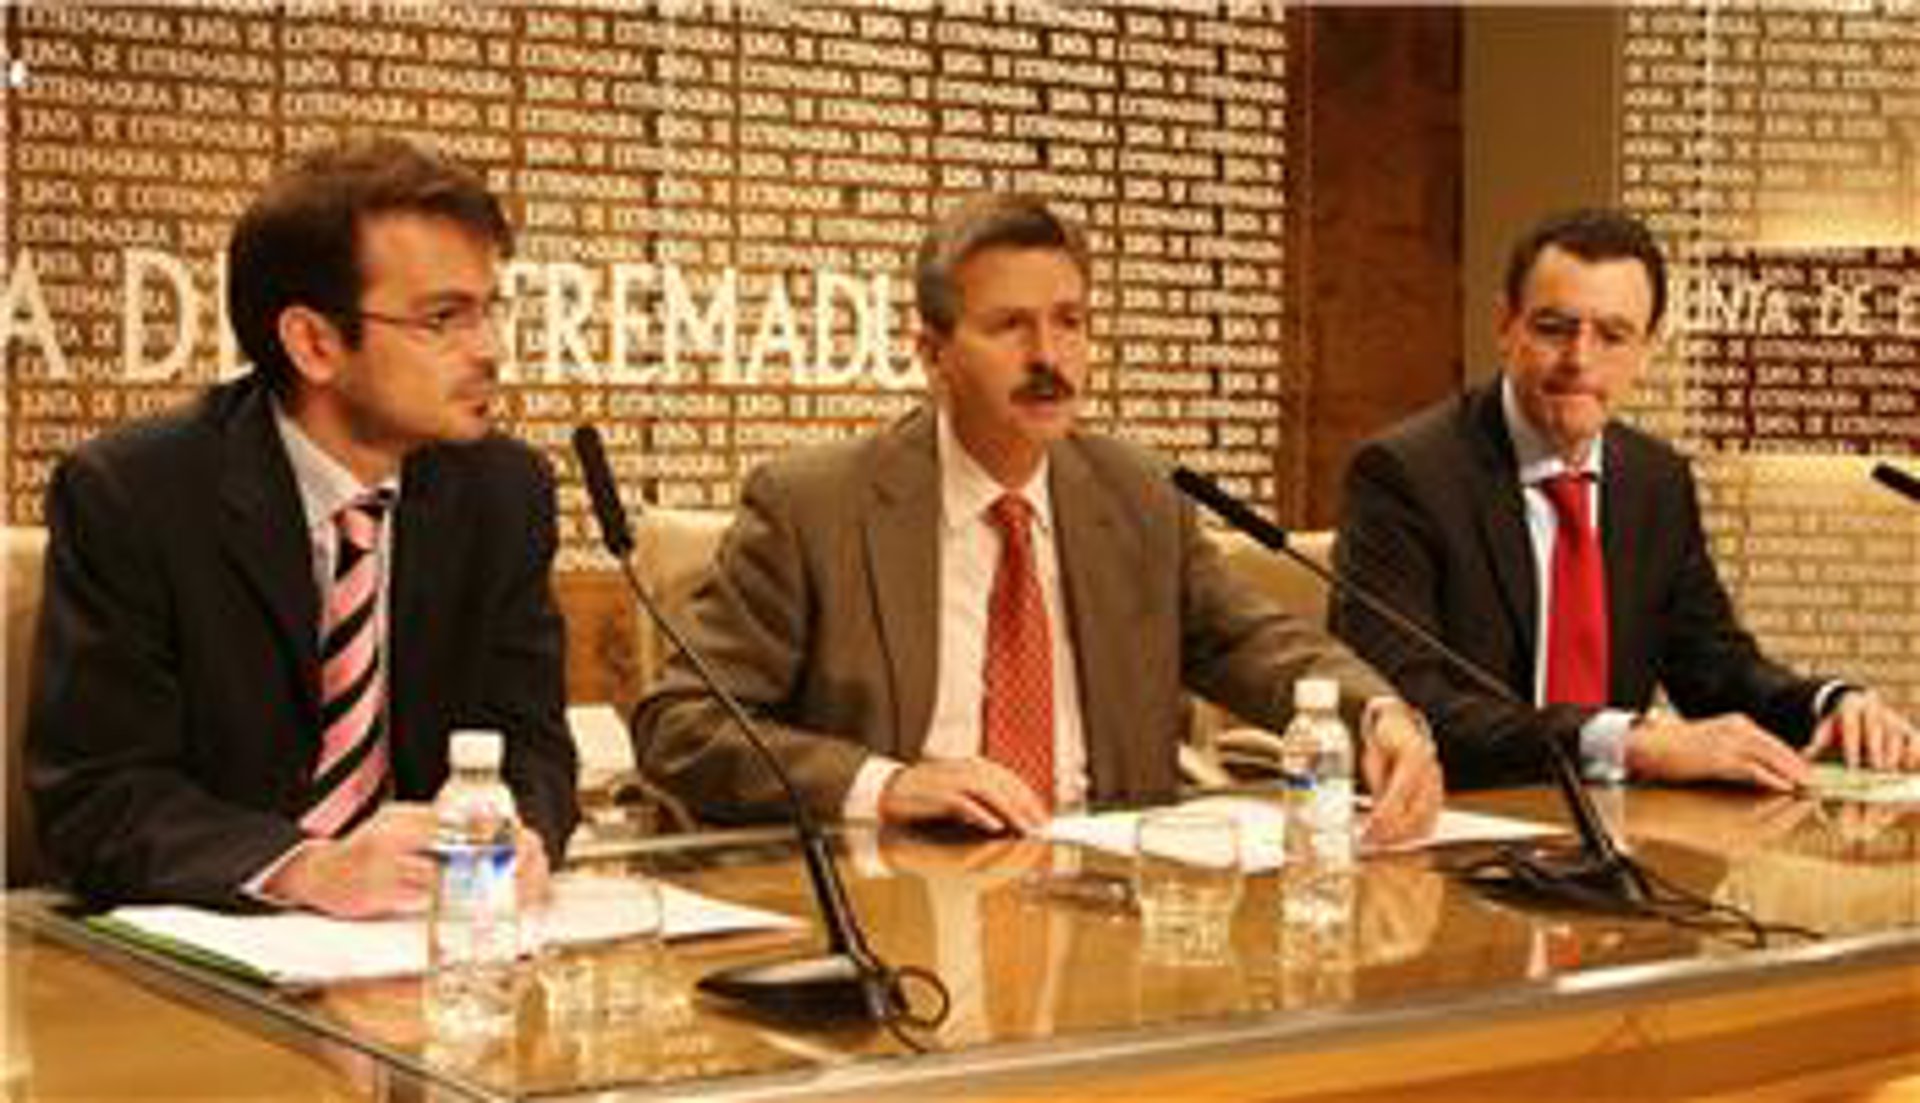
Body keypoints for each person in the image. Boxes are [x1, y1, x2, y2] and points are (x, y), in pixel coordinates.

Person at [634, 194, 1442, 843]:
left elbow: (1253, 642)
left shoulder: (1138, 496)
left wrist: (1377, 713)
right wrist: (888, 785)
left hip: (1112, 901)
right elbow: (682, 725)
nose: (1050, 357)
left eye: (1069, 321)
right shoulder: (814, 508)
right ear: (932, 352)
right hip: (903, 891)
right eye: (1009, 326)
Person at [27, 137, 578, 914]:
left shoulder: (504, 492)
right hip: (216, 945)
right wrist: (306, 868)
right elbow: (98, 796)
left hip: (437, 933)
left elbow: (533, 743)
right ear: (314, 342)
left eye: (491, 310)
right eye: (444, 318)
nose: (490, 350)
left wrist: (519, 837)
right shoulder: (134, 494)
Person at [1332, 207, 1918, 791]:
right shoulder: (1406, 475)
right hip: (1468, 813)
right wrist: (1626, 743)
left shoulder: (1654, 481)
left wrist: (1828, 705)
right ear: (1505, 326)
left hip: (1619, 825)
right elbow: (1403, 699)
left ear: (1648, 349)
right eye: (1554, 328)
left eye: (1613, 335)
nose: (1580, 360)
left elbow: (1715, 670)